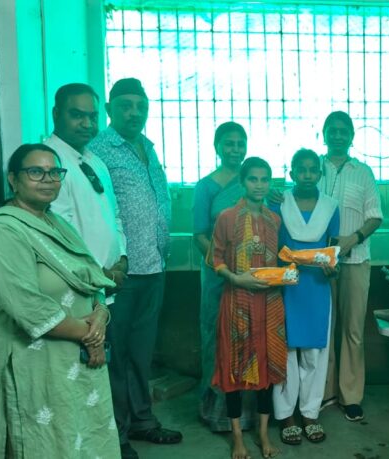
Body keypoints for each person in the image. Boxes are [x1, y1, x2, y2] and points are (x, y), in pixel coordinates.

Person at [0, 144, 118, 458]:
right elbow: (28, 307)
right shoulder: (1, 232)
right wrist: (91, 336)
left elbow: (93, 278)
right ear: (13, 179)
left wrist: (101, 315)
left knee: (80, 441)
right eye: (35, 171)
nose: (47, 179)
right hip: (33, 365)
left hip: (74, 363)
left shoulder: (57, 224)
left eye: (54, 172)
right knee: (43, 443)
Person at [88, 77, 180, 458]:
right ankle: (118, 433)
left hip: (154, 266)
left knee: (142, 351)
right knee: (118, 353)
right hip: (120, 271)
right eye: (125, 106)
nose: (134, 113)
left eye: (140, 106)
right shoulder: (98, 150)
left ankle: (143, 420)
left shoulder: (148, 147)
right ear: (110, 110)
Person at [211, 157, 286, 459]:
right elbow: (215, 258)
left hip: (268, 304)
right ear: (242, 182)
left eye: (265, 179)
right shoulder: (227, 217)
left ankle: (264, 433)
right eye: (253, 179)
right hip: (236, 302)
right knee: (233, 369)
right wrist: (236, 278)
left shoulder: (274, 220)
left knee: (266, 367)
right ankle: (238, 437)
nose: (259, 185)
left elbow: (278, 261)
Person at [317, 111, 383, 422]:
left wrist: (351, 240)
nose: (338, 135)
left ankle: (351, 396)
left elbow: (375, 217)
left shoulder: (364, 172)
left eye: (344, 131)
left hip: (355, 260)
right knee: (323, 329)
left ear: (352, 136)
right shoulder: (313, 168)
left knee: (352, 330)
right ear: (324, 134)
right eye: (332, 130)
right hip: (318, 264)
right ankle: (324, 392)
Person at [273, 149, 340, 446]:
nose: (308, 175)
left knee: (314, 353)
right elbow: (272, 245)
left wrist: (332, 268)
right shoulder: (279, 202)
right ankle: (285, 415)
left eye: (313, 170)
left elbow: (333, 248)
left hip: (316, 286)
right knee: (286, 351)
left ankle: (310, 413)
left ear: (320, 175)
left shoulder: (330, 207)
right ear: (292, 173)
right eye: (302, 169)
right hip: (287, 285)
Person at [44, 83, 128, 297]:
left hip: (109, 283)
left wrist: (121, 258)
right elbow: (58, 232)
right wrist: (100, 274)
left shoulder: (96, 161)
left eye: (93, 116)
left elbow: (114, 216)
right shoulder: (49, 160)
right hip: (76, 289)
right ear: (56, 114)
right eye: (77, 115)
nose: (87, 124)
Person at [193, 121, 250, 433]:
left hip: (249, 275)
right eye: (229, 143)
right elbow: (199, 235)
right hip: (218, 274)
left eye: (240, 143)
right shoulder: (206, 187)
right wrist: (222, 263)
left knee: (246, 336)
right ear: (217, 147)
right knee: (216, 335)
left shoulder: (252, 181)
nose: (235, 149)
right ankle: (214, 408)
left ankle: (247, 411)